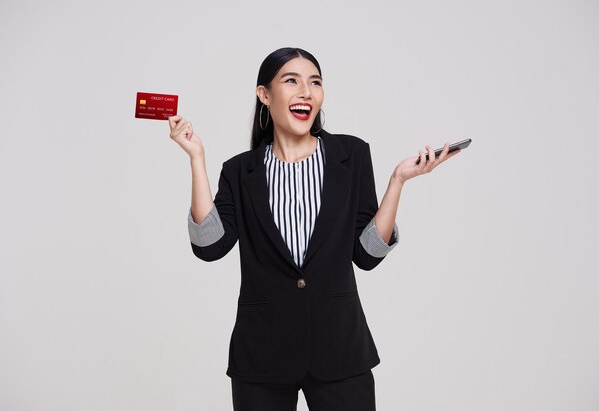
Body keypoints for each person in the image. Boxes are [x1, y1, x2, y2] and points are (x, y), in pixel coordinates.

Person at [168, 47, 460, 411]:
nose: (306, 91)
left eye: (315, 82)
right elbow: (209, 246)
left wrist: (398, 181)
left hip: (340, 348)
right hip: (262, 353)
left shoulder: (350, 156)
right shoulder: (241, 171)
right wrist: (197, 158)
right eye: (291, 81)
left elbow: (366, 255)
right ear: (264, 95)